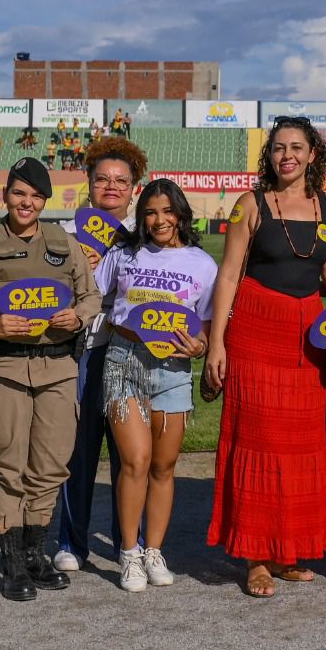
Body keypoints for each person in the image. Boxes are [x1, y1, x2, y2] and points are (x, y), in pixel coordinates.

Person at [0, 158, 101, 599]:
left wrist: (79, 315)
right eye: (19, 193)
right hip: (5, 368)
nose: (26, 202)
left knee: (50, 466)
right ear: (6, 196)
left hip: (57, 367)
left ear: (45, 200)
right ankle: (12, 560)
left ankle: (36, 552)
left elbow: (91, 294)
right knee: (9, 467)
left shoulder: (63, 242)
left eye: (35, 195)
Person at [203, 116, 326, 596]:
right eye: (279, 148)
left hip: (306, 337)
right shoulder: (250, 205)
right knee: (259, 440)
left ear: (312, 154)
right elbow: (228, 275)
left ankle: (287, 552)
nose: (287, 155)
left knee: (302, 444)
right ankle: (256, 559)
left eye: (297, 147)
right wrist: (217, 343)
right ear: (270, 156)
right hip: (257, 330)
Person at [92, 180, 216, 592]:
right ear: (141, 216)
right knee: (136, 460)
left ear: (180, 213)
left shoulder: (202, 263)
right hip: (124, 362)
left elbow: (208, 328)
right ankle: (129, 552)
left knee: (164, 467)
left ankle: (154, 551)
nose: (159, 220)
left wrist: (199, 346)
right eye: (150, 212)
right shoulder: (124, 253)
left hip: (174, 369)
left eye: (167, 211)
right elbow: (89, 293)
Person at [54, 135, 148, 572]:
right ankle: (72, 542)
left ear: (135, 188)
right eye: (102, 179)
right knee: (80, 449)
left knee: (132, 453)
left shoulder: (147, 236)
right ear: (88, 184)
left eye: (121, 180)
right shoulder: (64, 234)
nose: (111, 186)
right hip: (84, 351)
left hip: (132, 353)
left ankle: (132, 540)